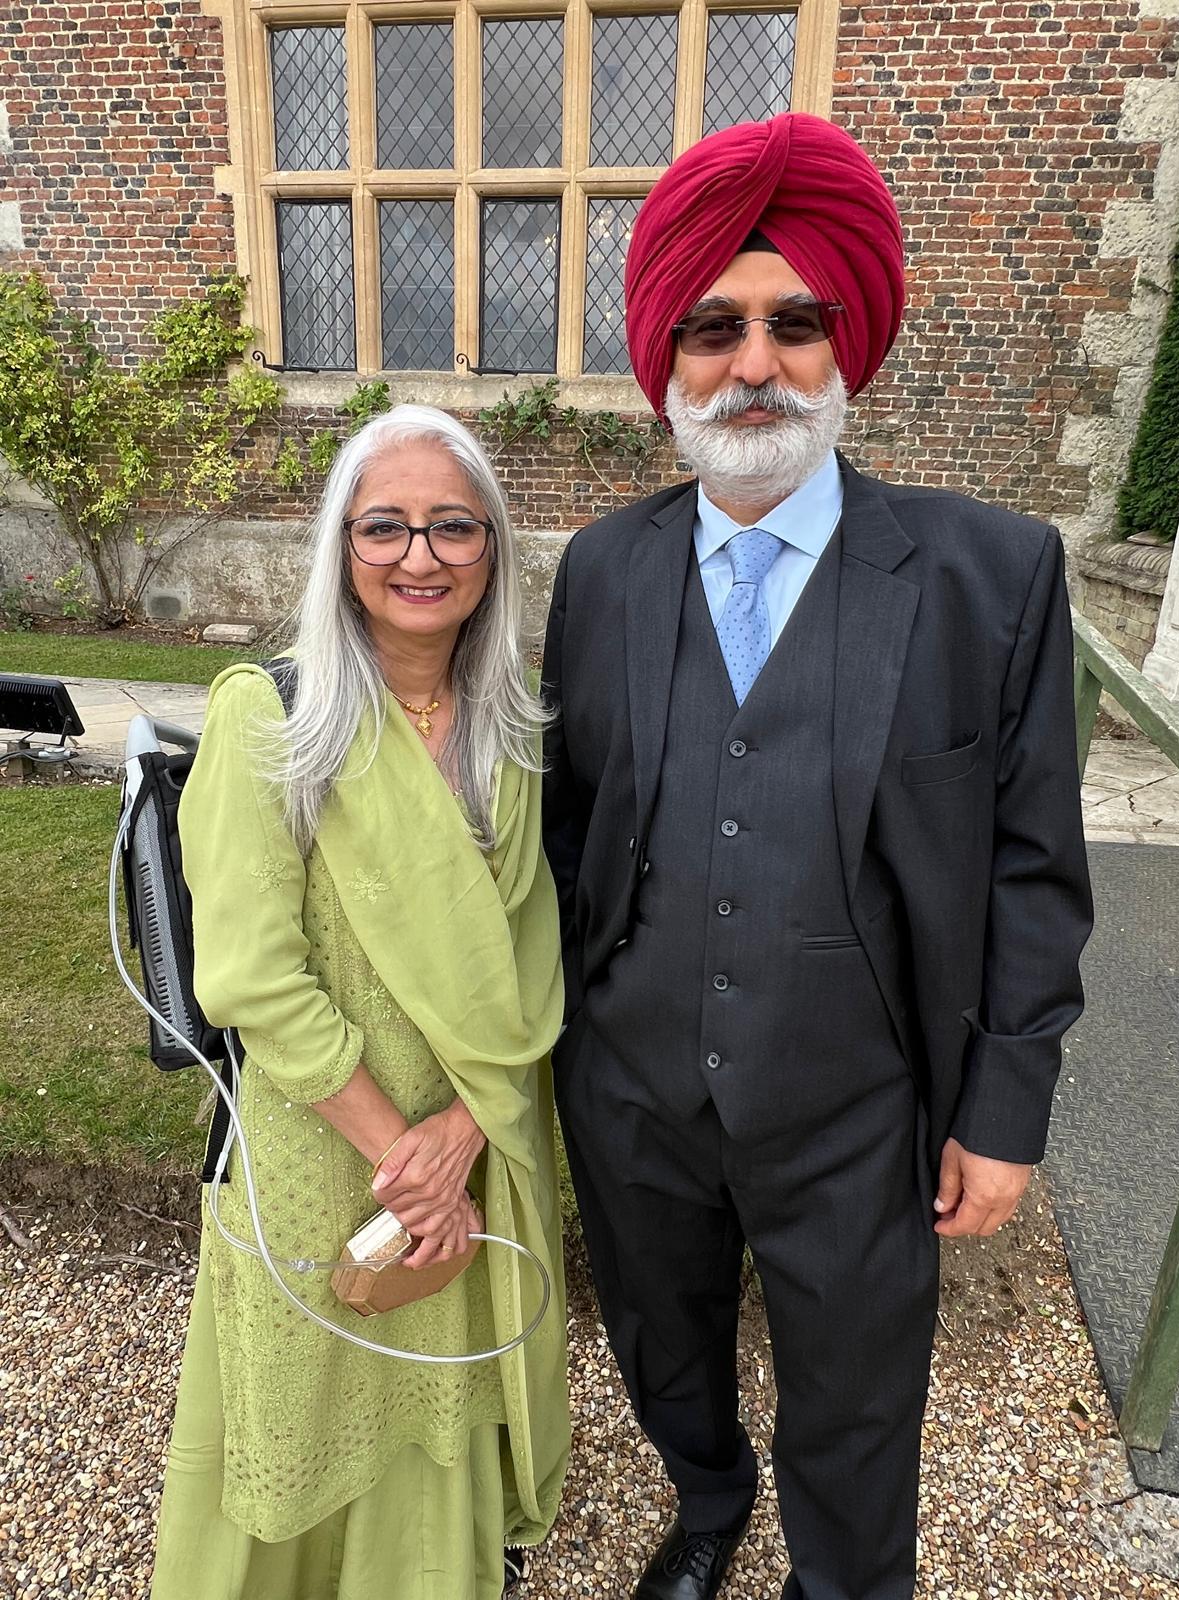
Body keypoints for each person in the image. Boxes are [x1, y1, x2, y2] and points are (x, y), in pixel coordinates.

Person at [542, 112, 1092, 1600]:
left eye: (795, 321)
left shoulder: (991, 575)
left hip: (860, 1104)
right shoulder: (603, 569)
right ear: (668, 358)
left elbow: (1034, 867)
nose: (755, 362)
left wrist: (1008, 1106)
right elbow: (576, 828)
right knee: (662, 1342)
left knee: (857, 1400)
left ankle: (842, 1580)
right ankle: (708, 1498)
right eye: (714, 326)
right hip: (636, 1091)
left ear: (845, 346)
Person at [150, 405, 570, 1600]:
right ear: (342, 546)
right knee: (304, 1373)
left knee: (437, 1366)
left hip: (465, 1123)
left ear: (492, 553)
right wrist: (407, 1161)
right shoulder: (268, 718)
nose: (419, 556)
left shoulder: (512, 733)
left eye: (452, 526)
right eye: (384, 526)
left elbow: (533, 945)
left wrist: (462, 1138)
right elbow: (251, 976)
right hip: (320, 1137)